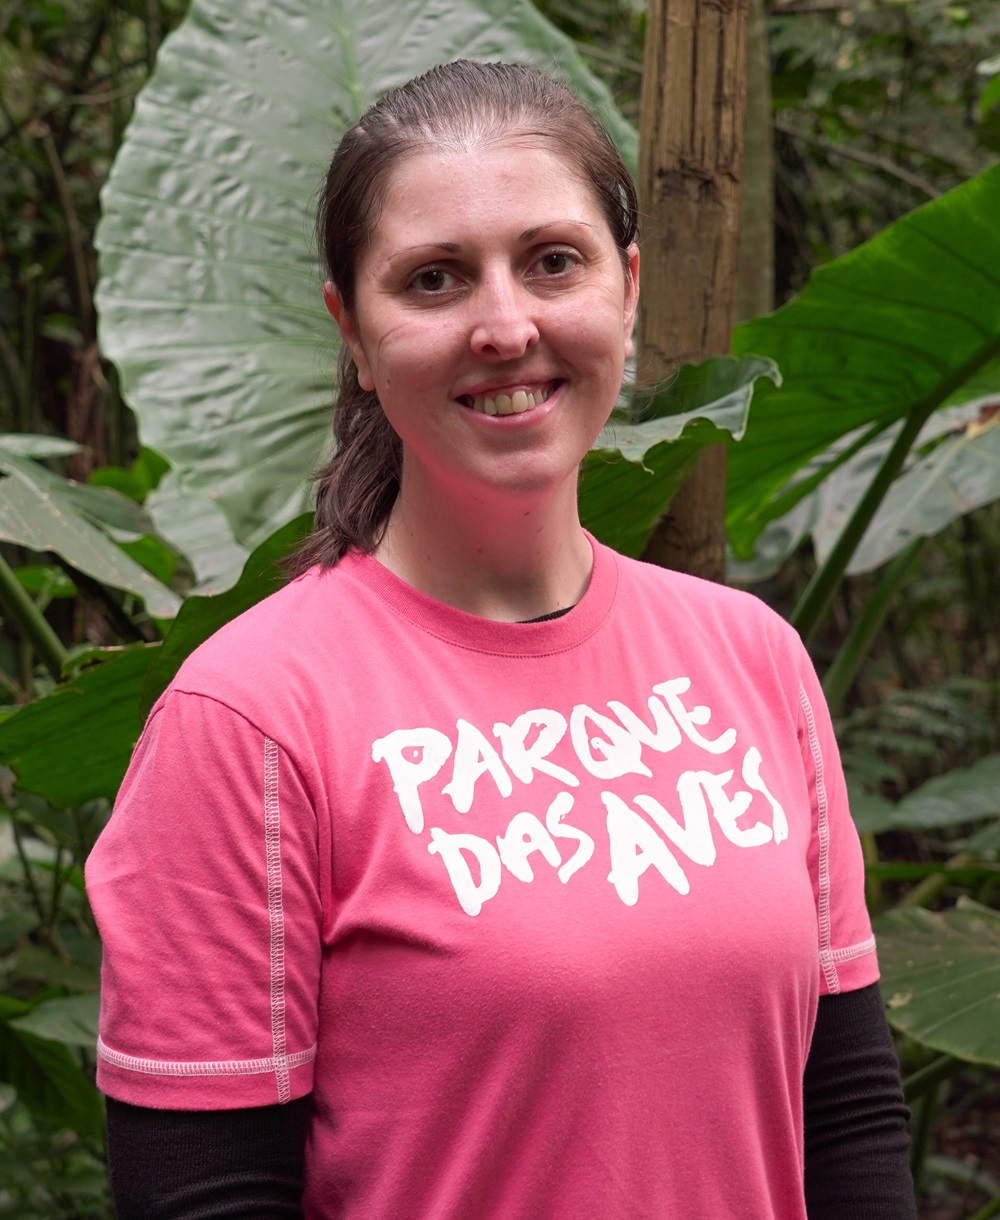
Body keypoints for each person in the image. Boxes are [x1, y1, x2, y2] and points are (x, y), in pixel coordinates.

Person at [86, 59, 916, 1220]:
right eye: (434, 279)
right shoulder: (250, 716)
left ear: (627, 291)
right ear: (356, 335)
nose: (504, 325)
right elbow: (205, 1200)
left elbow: (847, 1116)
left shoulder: (754, 657)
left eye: (551, 261)